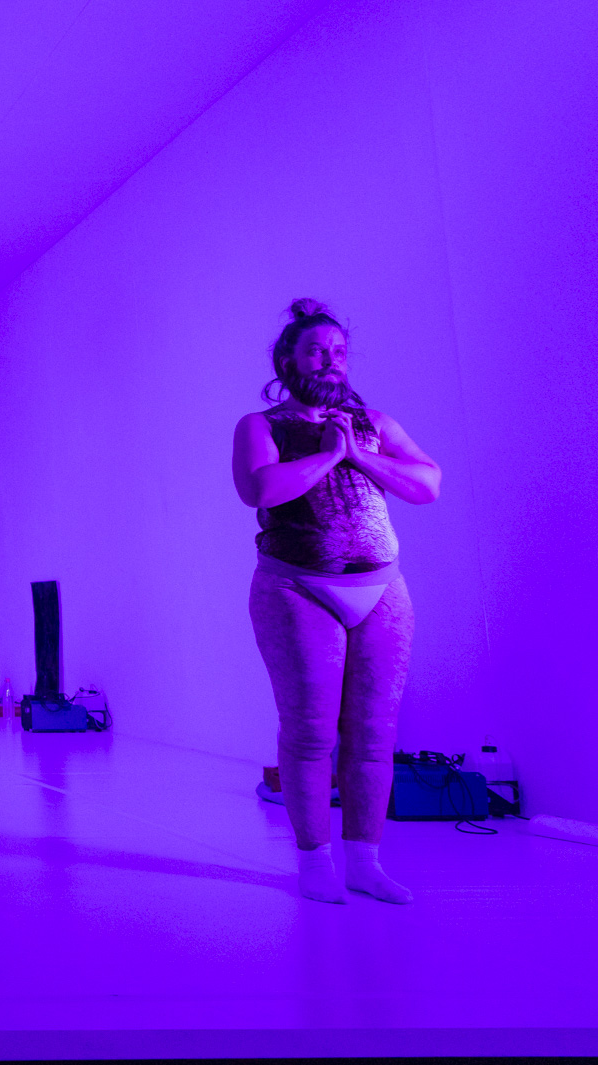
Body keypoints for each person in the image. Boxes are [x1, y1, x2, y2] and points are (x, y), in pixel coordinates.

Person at [232, 299, 439, 905]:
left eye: (339, 352)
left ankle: (364, 863)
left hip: (382, 590)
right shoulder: (261, 425)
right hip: (296, 589)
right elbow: (260, 489)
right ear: (288, 360)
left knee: (374, 733)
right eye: (317, 351)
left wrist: (356, 453)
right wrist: (327, 455)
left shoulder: (371, 422)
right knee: (310, 732)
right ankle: (313, 862)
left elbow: (428, 482)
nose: (330, 361)